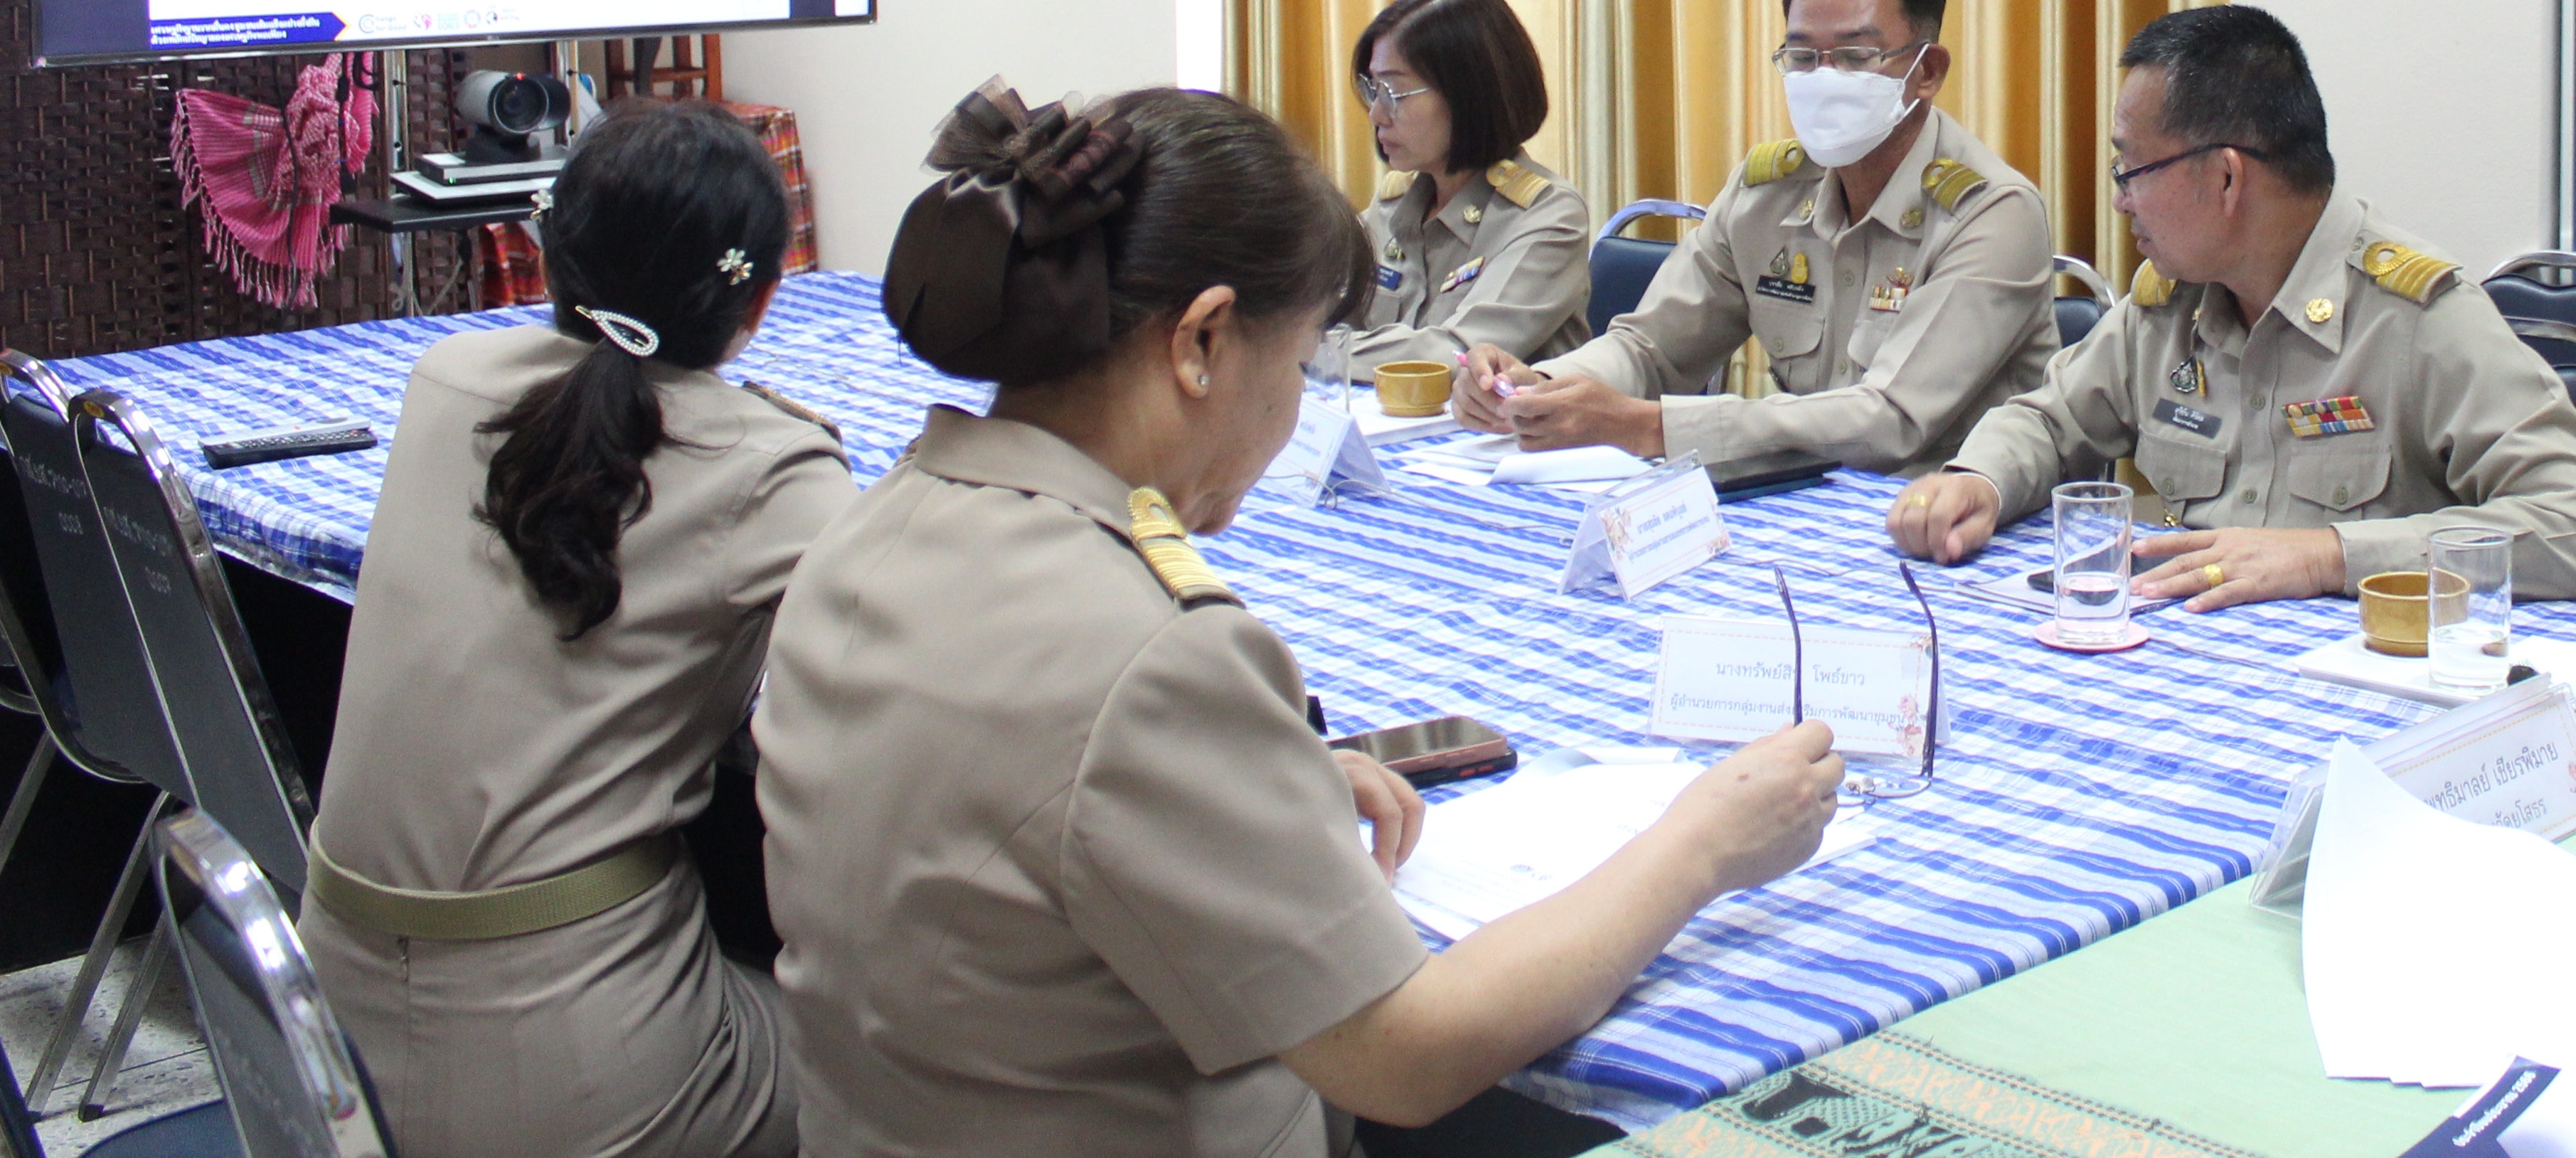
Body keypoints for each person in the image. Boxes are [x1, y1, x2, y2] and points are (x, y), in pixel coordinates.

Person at [760, 83, 1838, 1156]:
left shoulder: (869, 529)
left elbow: (1002, 813)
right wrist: (1701, 845)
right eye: (1300, 357)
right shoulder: (1154, 654)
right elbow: (1411, 1056)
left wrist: (1238, 787)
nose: (1292, 410)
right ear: (1202, 342)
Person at [300, 104, 848, 1158]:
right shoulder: (769, 468)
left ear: (545, 248)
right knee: (913, 1081)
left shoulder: (445, 378)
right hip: (575, 1051)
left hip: (328, 1024)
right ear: (766, 298)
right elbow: (925, 655)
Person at [1890, 5, 2576, 606]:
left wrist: (2327, 557)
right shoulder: (2170, 307)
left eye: (2132, 169)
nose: (2119, 201)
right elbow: (2047, 422)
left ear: (2226, 179)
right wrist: (1978, 481)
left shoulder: (2419, 320)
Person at [1450, 0, 2055, 475]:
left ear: (1927, 72)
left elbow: (1889, 420)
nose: (1823, 78)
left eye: (1854, 57)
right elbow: (1652, 348)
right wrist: (1542, 386)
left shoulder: (1993, 213)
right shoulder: (1767, 191)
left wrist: (1646, 426)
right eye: (1801, 57)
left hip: (1943, 529)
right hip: (1789, 506)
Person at [1330, 0, 1592, 377]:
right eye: (1373, 89)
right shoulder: (1395, 205)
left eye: (1393, 94)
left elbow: (1459, 355)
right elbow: (1323, 311)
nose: (1376, 115)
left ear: (1470, 96)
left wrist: (1309, 350)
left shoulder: (1547, 215)